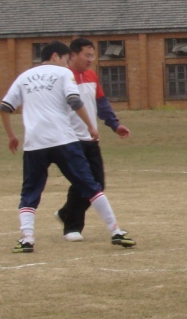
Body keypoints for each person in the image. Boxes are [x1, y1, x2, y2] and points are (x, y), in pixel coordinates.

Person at [0, 40, 135, 253]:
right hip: (64, 140)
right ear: (56, 56)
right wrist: (91, 126)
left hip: (34, 144)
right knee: (90, 185)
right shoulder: (64, 73)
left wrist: (11, 135)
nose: (66, 62)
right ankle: (115, 231)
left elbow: (4, 106)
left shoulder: (24, 77)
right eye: (65, 58)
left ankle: (27, 239)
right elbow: (75, 101)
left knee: (30, 192)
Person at [55, 37, 131, 242]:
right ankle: (72, 227)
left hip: (90, 137)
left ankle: (65, 213)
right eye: (86, 55)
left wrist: (115, 125)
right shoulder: (62, 77)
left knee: (98, 183)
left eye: (92, 55)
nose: (91, 59)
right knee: (81, 182)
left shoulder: (91, 76)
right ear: (73, 55)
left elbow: (101, 103)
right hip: (69, 139)